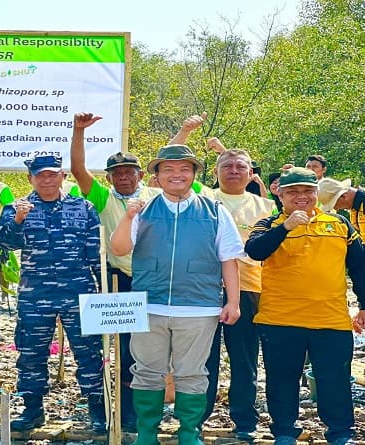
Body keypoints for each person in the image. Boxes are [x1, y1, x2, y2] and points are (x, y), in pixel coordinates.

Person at [110, 144, 243, 445]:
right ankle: (146, 432)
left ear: (194, 174)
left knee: (193, 373)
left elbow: (229, 260)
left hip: (199, 309)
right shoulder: (143, 210)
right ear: (156, 177)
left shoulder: (215, 212)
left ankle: (188, 432)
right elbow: (118, 249)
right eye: (168, 169)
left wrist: (232, 302)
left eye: (184, 169)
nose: (176, 175)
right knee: (145, 371)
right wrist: (128, 217)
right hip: (148, 305)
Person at [245, 167, 365, 445]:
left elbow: (359, 267)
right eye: (292, 192)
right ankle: (285, 431)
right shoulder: (268, 224)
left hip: (331, 319)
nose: (301, 196)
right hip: (280, 320)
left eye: (307, 191)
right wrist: (286, 227)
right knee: (282, 380)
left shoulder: (339, 224)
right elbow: (255, 251)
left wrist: (363, 304)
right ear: (280, 195)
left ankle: (340, 433)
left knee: (334, 380)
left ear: (316, 193)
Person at [0, 154, 107, 433]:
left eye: (52, 174)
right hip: (36, 293)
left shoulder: (83, 207)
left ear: (62, 176)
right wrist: (20, 220)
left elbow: (95, 252)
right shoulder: (16, 207)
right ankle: (32, 410)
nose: (47, 180)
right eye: (40, 175)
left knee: (89, 353)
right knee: (31, 353)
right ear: (30, 178)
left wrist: (102, 292)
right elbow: (5, 244)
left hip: (79, 291)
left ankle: (98, 410)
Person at [70, 112, 162, 431]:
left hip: (156, 281)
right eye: (117, 173)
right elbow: (78, 169)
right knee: (123, 350)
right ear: (109, 177)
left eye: (128, 171)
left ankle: (152, 408)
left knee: (153, 346)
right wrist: (78, 131)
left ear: (139, 174)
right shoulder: (101, 198)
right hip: (119, 281)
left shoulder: (156, 197)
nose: (123, 177)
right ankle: (124, 414)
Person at [200, 148, 275, 440]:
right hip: (204, 289)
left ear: (250, 173)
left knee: (244, 358)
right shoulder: (203, 200)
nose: (233, 170)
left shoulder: (266, 206)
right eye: (226, 166)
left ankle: (244, 419)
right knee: (204, 358)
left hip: (248, 289)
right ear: (216, 172)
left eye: (240, 166)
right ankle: (197, 416)